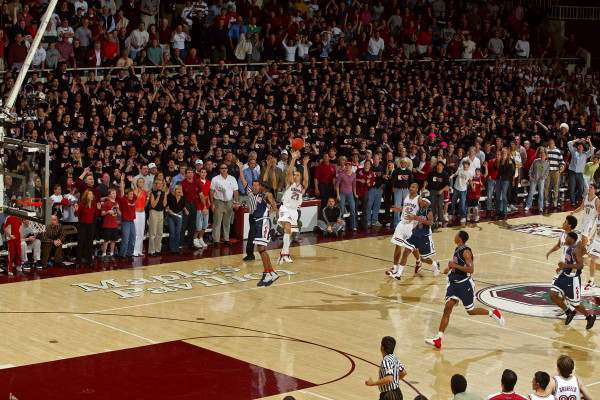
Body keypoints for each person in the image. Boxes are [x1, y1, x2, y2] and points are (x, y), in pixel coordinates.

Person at [426, 231, 505, 348]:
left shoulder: (466, 251)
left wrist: (454, 266)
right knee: (447, 309)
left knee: (470, 311)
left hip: (464, 285)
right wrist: (450, 268)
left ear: (460, 238)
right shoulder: (457, 248)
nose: (455, 236)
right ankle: (438, 338)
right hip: (454, 284)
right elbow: (457, 264)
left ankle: (492, 313)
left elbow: (471, 269)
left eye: (457, 235)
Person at [549, 231, 596, 329]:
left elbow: (580, 266)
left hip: (572, 280)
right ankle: (568, 312)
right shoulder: (568, 249)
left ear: (573, 239)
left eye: (567, 238)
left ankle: (589, 317)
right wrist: (562, 268)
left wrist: (565, 265)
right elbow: (568, 263)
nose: (565, 239)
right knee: (553, 295)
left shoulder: (576, 250)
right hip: (564, 276)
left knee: (576, 304)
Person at [393, 195, 441, 279]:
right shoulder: (419, 211)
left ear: (428, 204)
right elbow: (416, 220)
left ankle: (435, 264)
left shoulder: (429, 211)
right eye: (422, 201)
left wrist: (419, 219)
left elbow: (431, 223)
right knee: (405, 253)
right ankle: (398, 274)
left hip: (424, 237)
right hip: (415, 235)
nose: (422, 202)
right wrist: (415, 226)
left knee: (423, 259)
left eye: (424, 201)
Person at [277, 151, 309, 264]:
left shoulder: (302, 187)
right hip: (285, 209)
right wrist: (294, 159)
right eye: (295, 175)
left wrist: (305, 165)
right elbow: (289, 172)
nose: (295, 176)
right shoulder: (290, 183)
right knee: (288, 229)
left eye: (297, 175)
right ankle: (285, 254)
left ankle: (283, 253)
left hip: (294, 211)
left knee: (289, 234)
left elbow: (306, 180)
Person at [387, 183, 420, 279]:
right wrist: (399, 210)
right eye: (410, 187)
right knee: (398, 246)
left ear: (417, 189)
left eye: (413, 187)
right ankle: (394, 268)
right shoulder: (406, 197)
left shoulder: (419, 199)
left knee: (411, 248)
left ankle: (418, 261)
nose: (411, 188)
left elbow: (422, 214)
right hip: (402, 223)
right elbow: (406, 210)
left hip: (412, 225)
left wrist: (417, 224)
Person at [253, 180, 279, 287]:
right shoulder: (259, 195)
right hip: (260, 221)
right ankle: (271, 272)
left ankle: (267, 273)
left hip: (263, 222)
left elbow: (271, 200)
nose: (257, 186)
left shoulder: (266, 194)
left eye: (258, 185)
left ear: (263, 187)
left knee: (261, 248)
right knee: (261, 249)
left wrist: (276, 209)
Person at [546, 215, 581, 287]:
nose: (563, 223)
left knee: (560, 288)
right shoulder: (562, 234)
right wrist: (550, 251)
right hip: (563, 265)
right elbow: (558, 245)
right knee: (555, 286)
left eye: (565, 222)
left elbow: (582, 249)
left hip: (570, 267)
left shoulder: (575, 236)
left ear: (569, 225)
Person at [210, 163, 239, 246]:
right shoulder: (215, 179)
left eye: (225, 168)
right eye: (222, 168)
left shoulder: (232, 179)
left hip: (229, 202)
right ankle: (216, 240)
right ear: (219, 169)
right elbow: (211, 192)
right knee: (217, 222)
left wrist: (237, 202)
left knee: (227, 222)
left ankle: (226, 239)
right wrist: (212, 203)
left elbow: (235, 191)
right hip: (218, 201)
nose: (224, 169)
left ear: (227, 169)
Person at [237, 160, 260, 261]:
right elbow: (243, 180)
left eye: (256, 185)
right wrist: (240, 169)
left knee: (251, 236)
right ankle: (251, 254)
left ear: (259, 186)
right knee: (252, 236)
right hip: (251, 217)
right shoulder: (250, 192)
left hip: (258, 217)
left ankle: (250, 254)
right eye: (253, 185)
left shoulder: (262, 195)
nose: (254, 186)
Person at [570, 183, 599, 252]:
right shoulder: (585, 198)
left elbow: (598, 211)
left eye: (591, 188)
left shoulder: (596, 200)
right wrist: (574, 212)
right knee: (579, 236)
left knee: (584, 236)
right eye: (589, 187)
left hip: (591, 220)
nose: (589, 189)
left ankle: (583, 251)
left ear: (594, 190)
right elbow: (581, 208)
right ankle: (589, 244)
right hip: (584, 219)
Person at [567, 138, 595, 206]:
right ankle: (573, 202)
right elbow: (569, 143)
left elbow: (591, 150)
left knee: (581, 188)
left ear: (583, 148)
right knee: (572, 188)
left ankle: (576, 199)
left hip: (580, 173)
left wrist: (589, 141)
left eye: (581, 147)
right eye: (579, 146)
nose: (580, 148)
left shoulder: (585, 154)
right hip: (572, 172)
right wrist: (576, 140)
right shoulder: (574, 152)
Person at [118, 174, 138, 262]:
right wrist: (122, 180)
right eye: (130, 194)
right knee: (125, 239)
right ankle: (122, 255)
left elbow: (136, 190)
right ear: (126, 195)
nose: (132, 195)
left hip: (132, 222)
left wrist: (133, 181)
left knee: (133, 239)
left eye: (132, 194)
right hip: (125, 222)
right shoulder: (124, 199)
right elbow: (122, 189)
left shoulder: (133, 199)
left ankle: (130, 254)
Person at [424, 161, 449, 227]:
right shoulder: (432, 172)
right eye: (438, 165)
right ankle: (434, 219)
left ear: (442, 167)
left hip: (440, 191)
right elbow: (426, 180)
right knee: (432, 205)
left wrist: (442, 190)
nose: (439, 167)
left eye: (440, 166)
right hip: (433, 190)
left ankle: (440, 220)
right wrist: (424, 187)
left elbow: (447, 185)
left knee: (440, 205)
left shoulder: (445, 174)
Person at [525, 147, 550, 213]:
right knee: (531, 192)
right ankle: (528, 205)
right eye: (541, 155)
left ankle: (540, 207)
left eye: (543, 155)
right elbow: (531, 169)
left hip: (541, 180)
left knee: (541, 193)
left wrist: (542, 178)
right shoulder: (535, 161)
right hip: (534, 179)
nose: (542, 156)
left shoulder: (547, 164)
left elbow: (546, 173)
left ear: (546, 156)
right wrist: (530, 176)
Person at [100, 188, 121, 262]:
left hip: (114, 224)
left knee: (113, 240)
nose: (114, 195)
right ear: (109, 195)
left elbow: (119, 214)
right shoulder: (107, 203)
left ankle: (112, 254)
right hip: (107, 224)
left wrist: (118, 209)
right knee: (106, 240)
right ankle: (104, 254)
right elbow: (102, 213)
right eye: (112, 193)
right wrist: (108, 211)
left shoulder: (117, 203)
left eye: (115, 193)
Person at [450, 160, 473, 225]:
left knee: (462, 204)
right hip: (457, 188)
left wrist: (472, 187)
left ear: (468, 165)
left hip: (463, 189)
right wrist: (451, 177)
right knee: (453, 202)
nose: (465, 165)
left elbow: (470, 180)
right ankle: (451, 214)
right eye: (464, 164)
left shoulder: (470, 172)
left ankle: (463, 216)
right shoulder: (460, 170)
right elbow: (455, 174)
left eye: (466, 164)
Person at [336, 162, 357, 231]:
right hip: (342, 193)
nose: (347, 167)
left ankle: (353, 226)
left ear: (351, 167)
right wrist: (338, 195)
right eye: (346, 165)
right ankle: (341, 226)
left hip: (350, 193)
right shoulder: (342, 174)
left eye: (349, 166)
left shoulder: (354, 174)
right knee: (341, 210)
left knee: (353, 209)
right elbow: (337, 185)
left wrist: (355, 193)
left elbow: (354, 185)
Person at [167, 184, 187, 253]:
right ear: (175, 190)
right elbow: (166, 205)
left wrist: (185, 210)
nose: (179, 190)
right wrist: (169, 210)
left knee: (178, 232)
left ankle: (177, 248)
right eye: (178, 189)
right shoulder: (171, 197)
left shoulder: (183, 198)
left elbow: (183, 206)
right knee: (172, 232)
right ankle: (172, 249)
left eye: (180, 189)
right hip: (171, 215)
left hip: (179, 215)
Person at [193, 168, 211, 249]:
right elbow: (195, 194)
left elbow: (208, 193)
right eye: (202, 172)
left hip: (206, 205)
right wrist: (201, 197)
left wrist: (209, 201)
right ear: (199, 173)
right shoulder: (196, 182)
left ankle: (201, 238)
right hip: (199, 205)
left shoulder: (208, 182)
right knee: (198, 225)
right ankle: (195, 239)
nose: (203, 174)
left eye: (205, 172)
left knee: (205, 224)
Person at [131, 177, 148, 257]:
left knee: (141, 232)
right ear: (137, 183)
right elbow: (134, 202)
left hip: (142, 212)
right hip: (136, 213)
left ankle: (139, 250)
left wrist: (148, 197)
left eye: (142, 182)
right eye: (140, 182)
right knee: (136, 232)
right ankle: (134, 250)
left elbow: (145, 204)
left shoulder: (144, 192)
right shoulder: (134, 191)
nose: (141, 183)